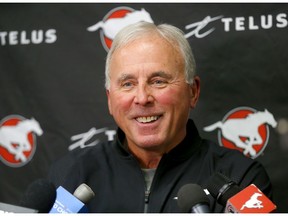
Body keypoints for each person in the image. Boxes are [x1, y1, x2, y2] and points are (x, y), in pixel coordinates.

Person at [48, 22, 273, 213]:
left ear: (193, 92)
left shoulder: (241, 179)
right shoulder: (70, 174)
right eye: (128, 84)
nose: (142, 98)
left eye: (158, 81)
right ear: (110, 99)